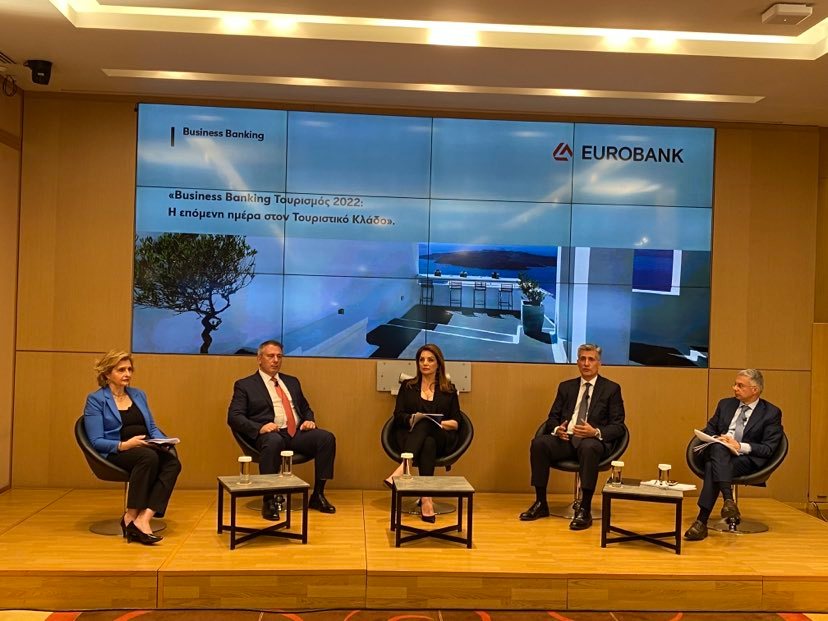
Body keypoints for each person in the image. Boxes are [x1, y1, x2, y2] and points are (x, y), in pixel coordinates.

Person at [520, 343, 625, 530]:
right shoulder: (566, 387)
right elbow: (552, 418)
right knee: (539, 444)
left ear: (599, 363)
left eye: (591, 359)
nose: (586, 363)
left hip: (593, 442)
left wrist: (595, 432)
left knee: (588, 447)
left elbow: (618, 426)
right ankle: (541, 503)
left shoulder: (611, 389)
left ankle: (585, 508)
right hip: (567, 440)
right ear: (577, 362)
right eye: (582, 359)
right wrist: (556, 429)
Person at [227, 339, 337, 520]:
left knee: (326, 438)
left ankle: (318, 495)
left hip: (295, 433)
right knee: (274, 441)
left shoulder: (292, 382)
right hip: (269, 434)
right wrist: (260, 427)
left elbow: (305, 408)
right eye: (270, 356)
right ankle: (269, 499)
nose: (276, 360)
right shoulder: (245, 385)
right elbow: (234, 417)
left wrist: (309, 420)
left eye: (279, 356)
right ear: (259, 359)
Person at [83, 350, 182, 545]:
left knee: (173, 463)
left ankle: (143, 518)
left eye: (129, 369)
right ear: (107, 374)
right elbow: (96, 441)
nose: (127, 374)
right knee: (148, 458)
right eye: (121, 370)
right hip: (116, 450)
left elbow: (151, 427)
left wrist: (164, 441)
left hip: (145, 446)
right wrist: (125, 445)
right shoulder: (96, 400)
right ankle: (130, 516)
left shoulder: (138, 394)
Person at [684, 369, 783, 541]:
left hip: (744, 459)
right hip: (718, 451)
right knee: (718, 449)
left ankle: (702, 521)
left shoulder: (771, 413)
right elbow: (710, 429)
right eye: (735, 384)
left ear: (755, 390)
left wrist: (739, 446)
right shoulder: (725, 404)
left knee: (712, 466)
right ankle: (728, 501)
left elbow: (768, 448)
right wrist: (719, 439)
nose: (734, 388)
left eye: (740, 385)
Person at [383, 343, 461, 523]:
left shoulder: (449, 389)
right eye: (421, 360)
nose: (425, 363)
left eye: (430, 360)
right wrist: (413, 419)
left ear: (438, 364)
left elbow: (456, 423)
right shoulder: (408, 386)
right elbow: (398, 416)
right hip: (410, 436)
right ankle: (426, 499)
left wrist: (436, 422)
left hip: (442, 437)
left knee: (427, 424)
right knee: (427, 443)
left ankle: (404, 466)